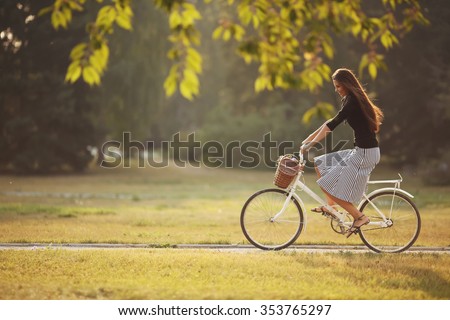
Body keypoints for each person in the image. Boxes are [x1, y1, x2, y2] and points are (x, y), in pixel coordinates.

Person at [300, 68, 384, 238]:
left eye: (338, 86)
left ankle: (359, 217)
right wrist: (309, 138)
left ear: (346, 84)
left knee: (326, 185)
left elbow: (332, 125)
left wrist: (311, 145)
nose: (336, 89)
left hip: (364, 155)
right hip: (361, 151)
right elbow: (330, 122)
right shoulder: (351, 100)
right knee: (320, 163)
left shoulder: (353, 101)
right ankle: (332, 207)